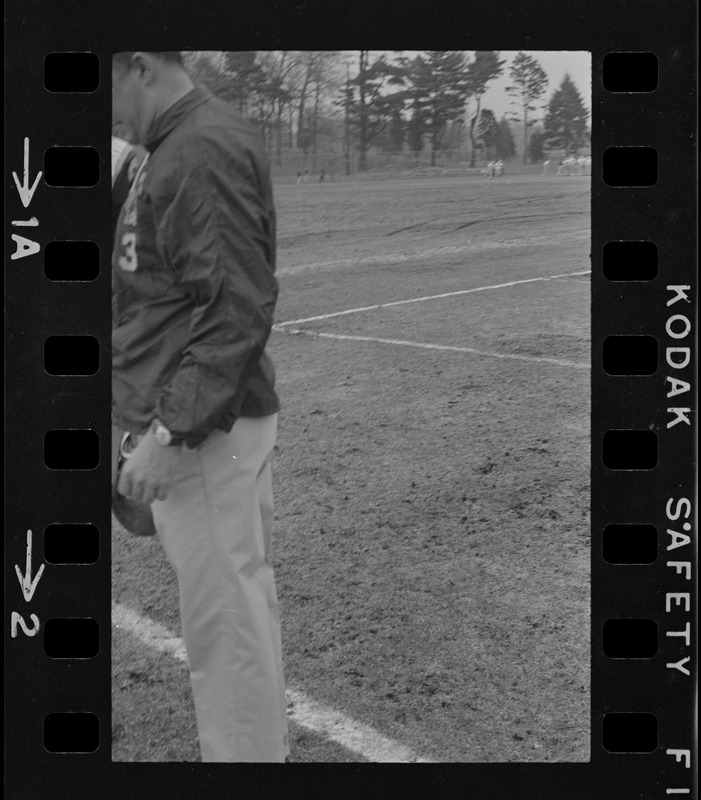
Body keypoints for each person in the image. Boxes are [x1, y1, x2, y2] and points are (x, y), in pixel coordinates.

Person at [111, 51, 289, 763]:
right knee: (227, 610)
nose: (105, 109)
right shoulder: (161, 145)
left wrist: (168, 431)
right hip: (186, 412)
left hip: (205, 428)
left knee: (226, 623)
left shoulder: (200, 146)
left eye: (108, 86)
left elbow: (236, 310)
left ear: (143, 65)